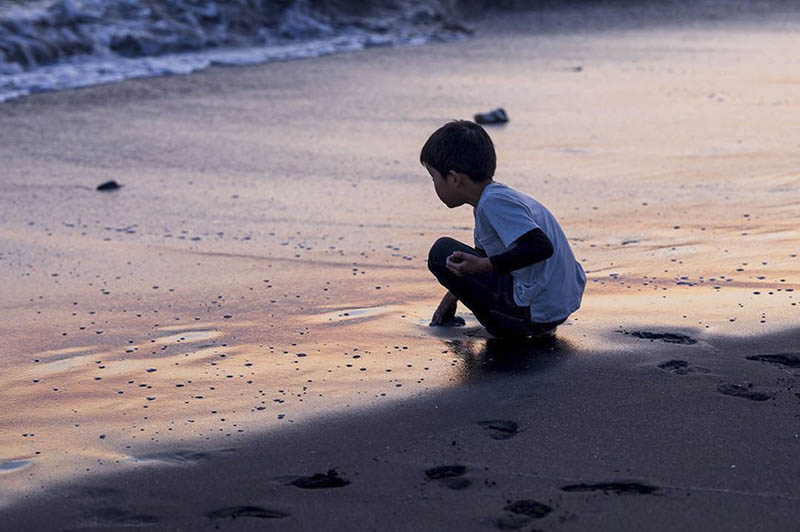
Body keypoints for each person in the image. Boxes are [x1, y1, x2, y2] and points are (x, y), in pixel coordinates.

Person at [421, 120, 586, 338]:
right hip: (551, 307)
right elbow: (489, 256)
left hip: (535, 314)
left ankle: (512, 329)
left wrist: (484, 265)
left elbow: (539, 246)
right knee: (466, 257)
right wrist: (452, 297)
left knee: (441, 252)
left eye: (434, 178)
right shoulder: (494, 199)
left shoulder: (493, 203)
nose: (434, 185)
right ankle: (524, 322)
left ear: (453, 179)